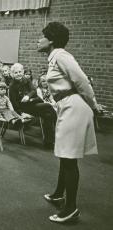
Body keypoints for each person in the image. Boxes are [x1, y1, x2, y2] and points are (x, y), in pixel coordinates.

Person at [37, 22, 98, 223]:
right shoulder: (55, 57)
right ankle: (58, 194)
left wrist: (95, 106)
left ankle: (70, 209)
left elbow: (82, 82)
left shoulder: (62, 56)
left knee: (69, 159)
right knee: (65, 155)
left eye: (42, 36)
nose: (39, 39)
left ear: (52, 40)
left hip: (74, 107)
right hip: (67, 106)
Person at [9, 63, 57, 148]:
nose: (18, 74)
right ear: (12, 74)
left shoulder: (26, 80)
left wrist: (28, 96)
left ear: (23, 72)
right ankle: (59, 131)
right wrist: (21, 113)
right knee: (48, 106)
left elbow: (33, 90)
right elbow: (14, 103)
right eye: (16, 73)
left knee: (48, 115)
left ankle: (48, 142)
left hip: (33, 103)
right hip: (24, 108)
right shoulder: (12, 86)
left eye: (20, 71)